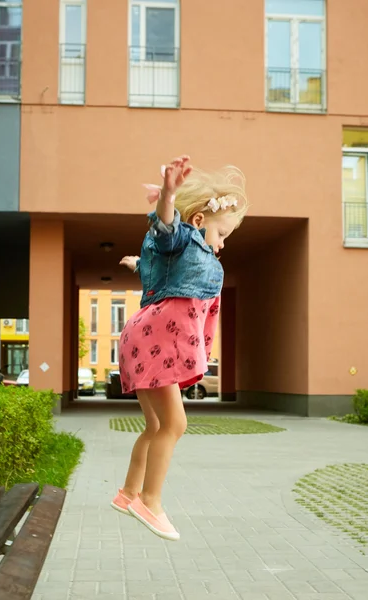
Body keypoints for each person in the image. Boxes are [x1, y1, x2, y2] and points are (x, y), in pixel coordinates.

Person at [110, 155, 248, 541]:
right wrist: (168, 195)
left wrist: (141, 262)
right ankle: (150, 502)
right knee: (175, 424)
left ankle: (127, 493)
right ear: (201, 222)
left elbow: (166, 265)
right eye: (221, 235)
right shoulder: (184, 238)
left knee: (154, 425)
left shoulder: (175, 254)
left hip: (140, 336)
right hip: (158, 338)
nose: (221, 245)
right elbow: (168, 228)